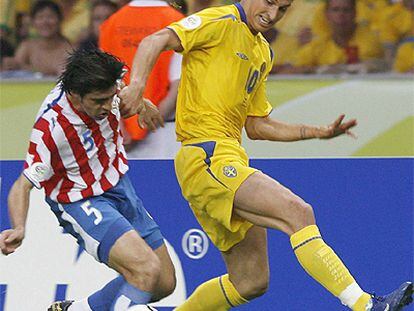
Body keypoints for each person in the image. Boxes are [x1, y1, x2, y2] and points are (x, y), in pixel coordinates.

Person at [119, 0, 414, 310]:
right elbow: (156, 40)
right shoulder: (219, 20)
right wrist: (137, 86)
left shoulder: (262, 51)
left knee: (250, 281)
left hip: (226, 159)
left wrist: (317, 131)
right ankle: (366, 305)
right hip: (206, 157)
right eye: (270, 2)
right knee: (298, 213)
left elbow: (258, 125)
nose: (272, 15)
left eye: (283, 9)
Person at [0, 48, 174, 311]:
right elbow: (21, 186)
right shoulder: (52, 129)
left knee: (163, 282)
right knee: (146, 269)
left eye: (110, 97)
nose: (107, 105)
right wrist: (19, 228)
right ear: (75, 96)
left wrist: (143, 103)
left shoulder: (105, 83)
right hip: (81, 200)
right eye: (98, 101)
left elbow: (123, 94)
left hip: (119, 185)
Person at [99, 0, 184, 157]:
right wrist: (145, 124)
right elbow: (178, 87)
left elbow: (103, 82)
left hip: (121, 135)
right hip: (163, 131)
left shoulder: (112, 23)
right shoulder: (178, 22)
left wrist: (122, 127)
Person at [293, 0, 385, 74]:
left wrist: (323, 70)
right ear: (327, 15)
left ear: (355, 14)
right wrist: (320, 70)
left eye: (346, 10)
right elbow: (295, 70)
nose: (341, 14)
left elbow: (370, 68)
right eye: (335, 10)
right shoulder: (319, 44)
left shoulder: (370, 41)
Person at [1, 0, 72, 76]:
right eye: (40, 17)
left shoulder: (69, 49)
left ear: (60, 20)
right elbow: (15, 69)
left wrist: (24, 67)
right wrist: (9, 65)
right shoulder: (27, 46)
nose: (45, 22)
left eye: (50, 17)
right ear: (33, 22)